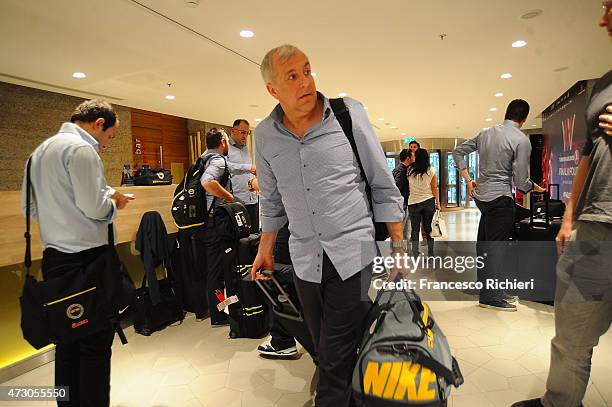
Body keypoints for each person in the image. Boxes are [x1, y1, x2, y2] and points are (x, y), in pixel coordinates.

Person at [251, 44, 404, 407]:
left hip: (353, 252)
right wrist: (265, 248)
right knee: (324, 350)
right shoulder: (266, 136)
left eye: (307, 70)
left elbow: (382, 182)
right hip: (305, 257)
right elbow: (271, 201)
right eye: (292, 76)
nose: (306, 81)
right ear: (273, 90)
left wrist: (398, 250)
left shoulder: (348, 114)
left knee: (332, 364)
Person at [513, 2, 612, 406]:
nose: (602, 18)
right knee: (571, 332)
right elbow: (587, 154)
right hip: (593, 226)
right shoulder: (604, 84)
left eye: (610, 7)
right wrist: (569, 215)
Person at [21, 99, 133, 407]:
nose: (107, 144)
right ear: (99, 124)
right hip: (88, 262)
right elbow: (93, 207)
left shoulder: (38, 154)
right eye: (110, 136)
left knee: (66, 344)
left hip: (55, 260)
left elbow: (29, 208)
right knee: (95, 347)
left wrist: (62, 216)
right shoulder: (82, 150)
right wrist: (114, 202)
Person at [452, 99, 545, 311]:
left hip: (482, 198)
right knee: (496, 249)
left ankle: (490, 289)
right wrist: (535, 188)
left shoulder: (486, 133)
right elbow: (521, 182)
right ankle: (490, 297)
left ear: (507, 113)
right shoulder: (520, 140)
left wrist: (468, 179)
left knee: (484, 246)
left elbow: (458, 152)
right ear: (524, 118)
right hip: (500, 199)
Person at [200, 128, 234, 326]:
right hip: (215, 223)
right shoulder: (218, 160)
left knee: (213, 271)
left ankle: (219, 311)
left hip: (205, 222)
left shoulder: (203, 159)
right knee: (218, 272)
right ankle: (220, 314)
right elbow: (207, 182)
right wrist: (228, 196)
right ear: (222, 141)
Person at [407, 148, 441, 257]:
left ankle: (415, 253)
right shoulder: (431, 170)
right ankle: (431, 254)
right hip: (428, 201)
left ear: (416, 157)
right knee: (428, 229)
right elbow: (434, 188)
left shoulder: (409, 170)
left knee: (415, 229)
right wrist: (438, 203)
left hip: (413, 202)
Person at [227, 119, 260, 230]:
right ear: (233, 131)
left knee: (255, 236)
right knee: (241, 239)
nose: (245, 136)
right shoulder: (225, 148)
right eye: (243, 132)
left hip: (253, 199)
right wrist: (248, 168)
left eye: (247, 133)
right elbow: (225, 166)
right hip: (237, 202)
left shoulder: (246, 149)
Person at [392, 148, 411, 239]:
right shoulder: (401, 171)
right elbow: (397, 189)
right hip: (402, 204)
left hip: (402, 204)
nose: (415, 159)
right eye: (413, 157)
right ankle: (397, 251)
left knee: (404, 231)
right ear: (408, 158)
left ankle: (404, 250)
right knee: (400, 231)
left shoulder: (399, 168)